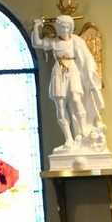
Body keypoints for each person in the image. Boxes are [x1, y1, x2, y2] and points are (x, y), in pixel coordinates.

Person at [32, 14, 105, 151]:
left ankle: (83, 133)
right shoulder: (54, 42)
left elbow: (86, 58)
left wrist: (90, 73)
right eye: (61, 27)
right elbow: (37, 43)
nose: (64, 30)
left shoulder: (76, 41)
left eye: (67, 27)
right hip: (58, 73)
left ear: (71, 28)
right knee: (60, 106)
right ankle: (68, 138)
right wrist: (36, 26)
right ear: (58, 28)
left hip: (72, 71)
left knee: (77, 99)